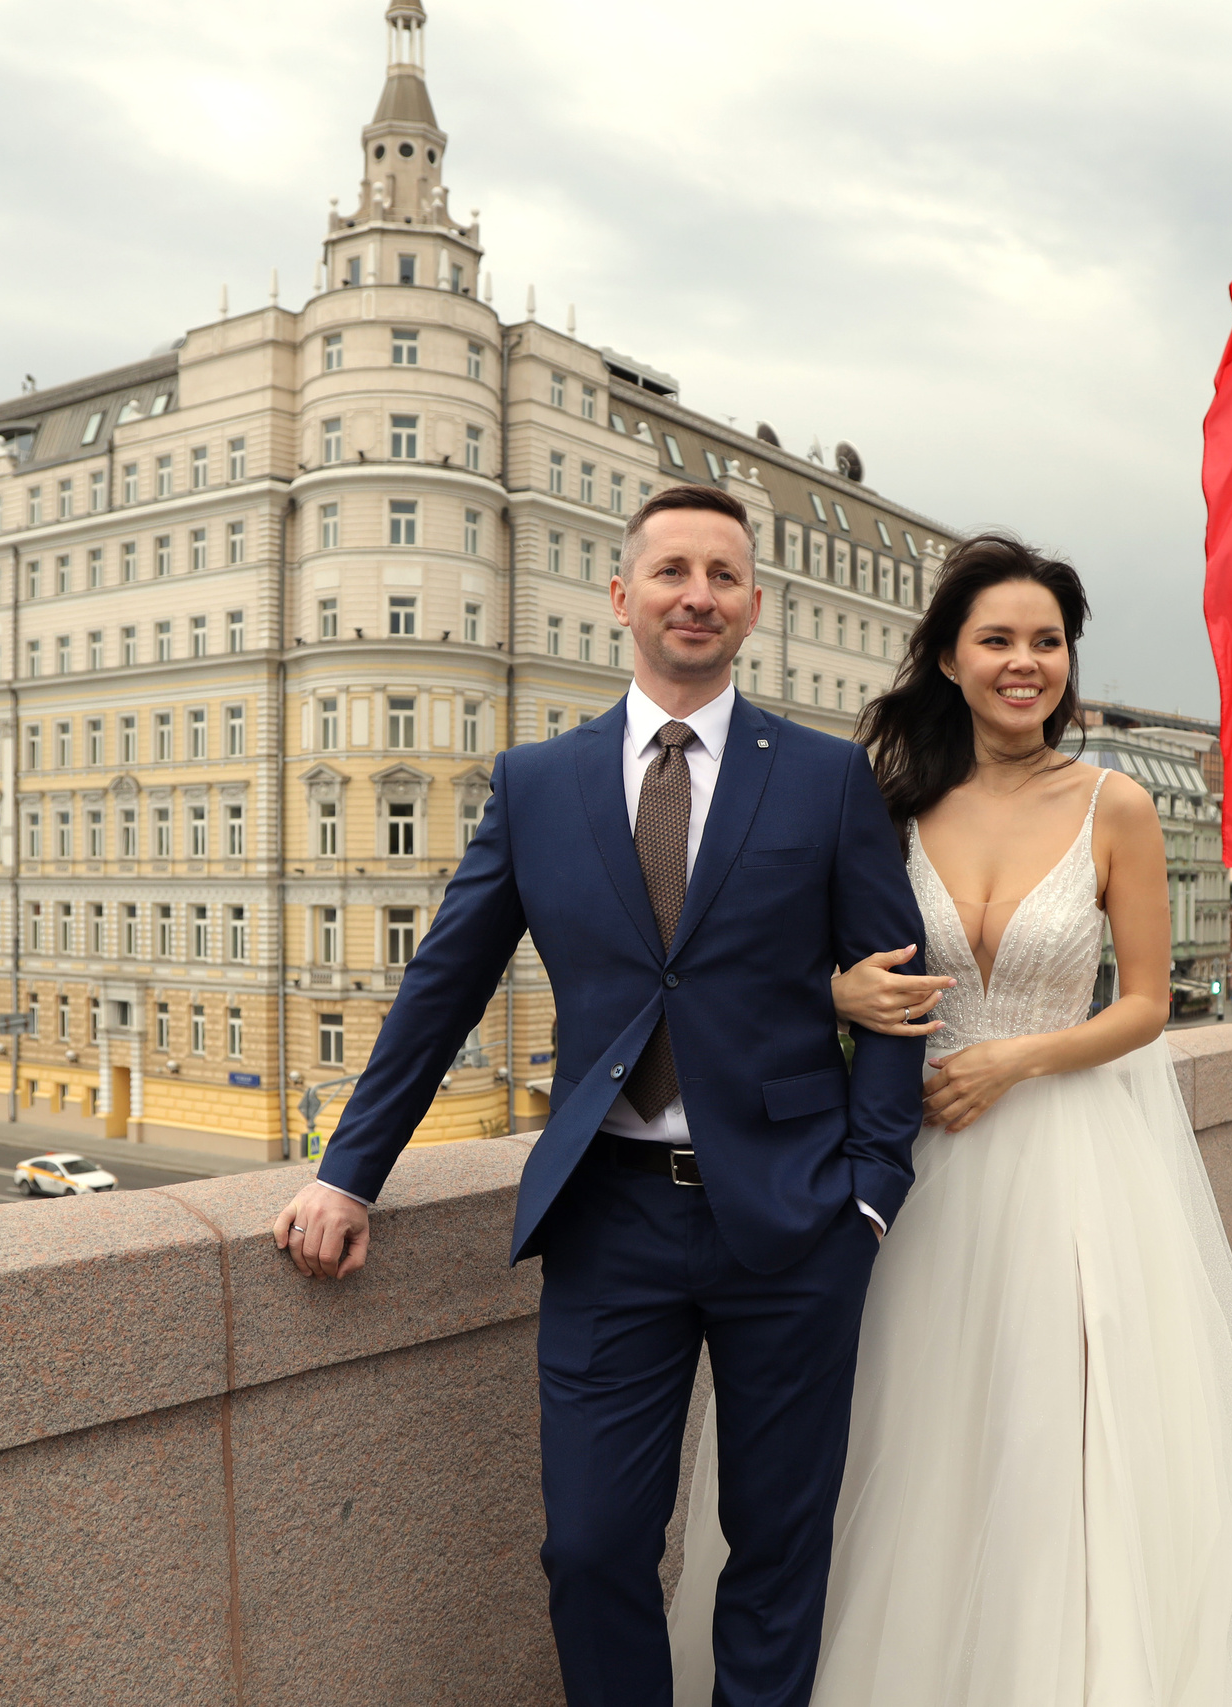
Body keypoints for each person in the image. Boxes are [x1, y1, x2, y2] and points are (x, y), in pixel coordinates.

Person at [273, 484, 927, 1706]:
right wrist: (348, 1171)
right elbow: (444, 983)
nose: (697, 595)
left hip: (795, 1219)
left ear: (754, 607)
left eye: (722, 576)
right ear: (622, 597)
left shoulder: (826, 780)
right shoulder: (538, 783)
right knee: (588, 1547)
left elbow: (898, 990)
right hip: (609, 1218)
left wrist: (872, 1190)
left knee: (777, 1545)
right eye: (671, 571)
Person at [669, 536, 1232, 1705]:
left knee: (1051, 1434)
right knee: (902, 1428)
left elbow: (1143, 1004)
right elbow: (783, 961)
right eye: (997, 640)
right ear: (948, 657)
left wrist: (1014, 1060)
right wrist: (837, 993)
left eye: (1047, 642)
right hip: (904, 1155)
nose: (1025, 662)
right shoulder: (883, 803)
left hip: (1067, 1158)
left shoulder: (1116, 805)